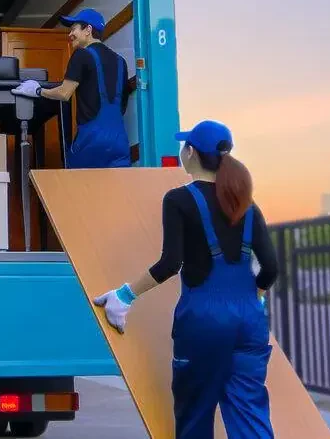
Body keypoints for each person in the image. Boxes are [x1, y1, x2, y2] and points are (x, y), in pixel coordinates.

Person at [92, 120, 279, 439]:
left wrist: (124, 296)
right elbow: (271, 269)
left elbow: (170, 264)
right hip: (249, 321)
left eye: (184, 146)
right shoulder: (248, 206)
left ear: (190, 152)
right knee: (250, 415)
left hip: (203, 321)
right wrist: (251, 298)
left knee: (195, 415)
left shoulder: (179, 200)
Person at [10, 8, 136, 169]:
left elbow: (64, 93)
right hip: (119, 141)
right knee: (116, 191)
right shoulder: (121, 62)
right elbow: (122, 105)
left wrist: (37, 90)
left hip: (91, 140)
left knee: (77, 188)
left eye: (73, 29)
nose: (70, 34)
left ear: (88, 30)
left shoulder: (81, 55)